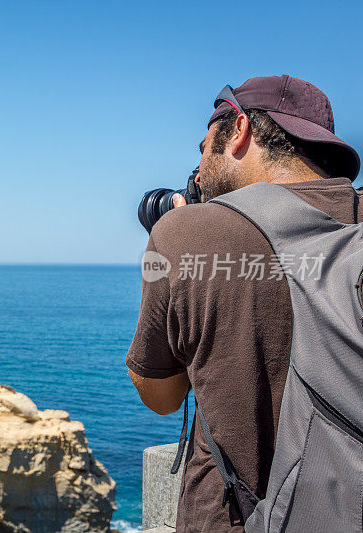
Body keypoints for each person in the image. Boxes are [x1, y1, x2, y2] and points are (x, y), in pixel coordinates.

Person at [125, 75, 361, 532]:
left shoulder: (186, 234)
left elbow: (162, 397)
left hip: (234, 518)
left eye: (202, 147)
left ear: (239, 130)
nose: (197, 170)